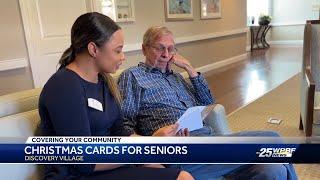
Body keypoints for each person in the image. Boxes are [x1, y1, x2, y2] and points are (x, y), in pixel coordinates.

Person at [118, 26, 298, 179]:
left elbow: (208, 105)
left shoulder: (177, 78)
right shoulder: (133, 76)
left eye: (171, 49)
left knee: (273, 170)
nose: (166, 55)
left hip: (209, 139)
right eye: (160, 48)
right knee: (272, 138)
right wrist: (154, 141)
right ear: (144, 49)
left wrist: (190, 69)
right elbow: (123, 125)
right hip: (178, 152)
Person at [38, 13, 193, 180]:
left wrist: (154, 145)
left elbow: (120, 133)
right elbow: (84, 161)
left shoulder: (104, 81)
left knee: (179, 174)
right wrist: (148, 147)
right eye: (118, 50)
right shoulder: (64, 86)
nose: (123, 57)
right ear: (93, 49)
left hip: (110, 166)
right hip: (77, 175)